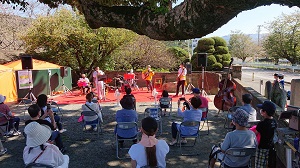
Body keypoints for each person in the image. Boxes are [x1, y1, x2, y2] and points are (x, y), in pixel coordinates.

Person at [255, 101, 277, 168]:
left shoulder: (262, 124)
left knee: (260, 165)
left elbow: (254, 133)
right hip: (271, 147)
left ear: (264, 112)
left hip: (262, 147)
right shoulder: (274, 122)